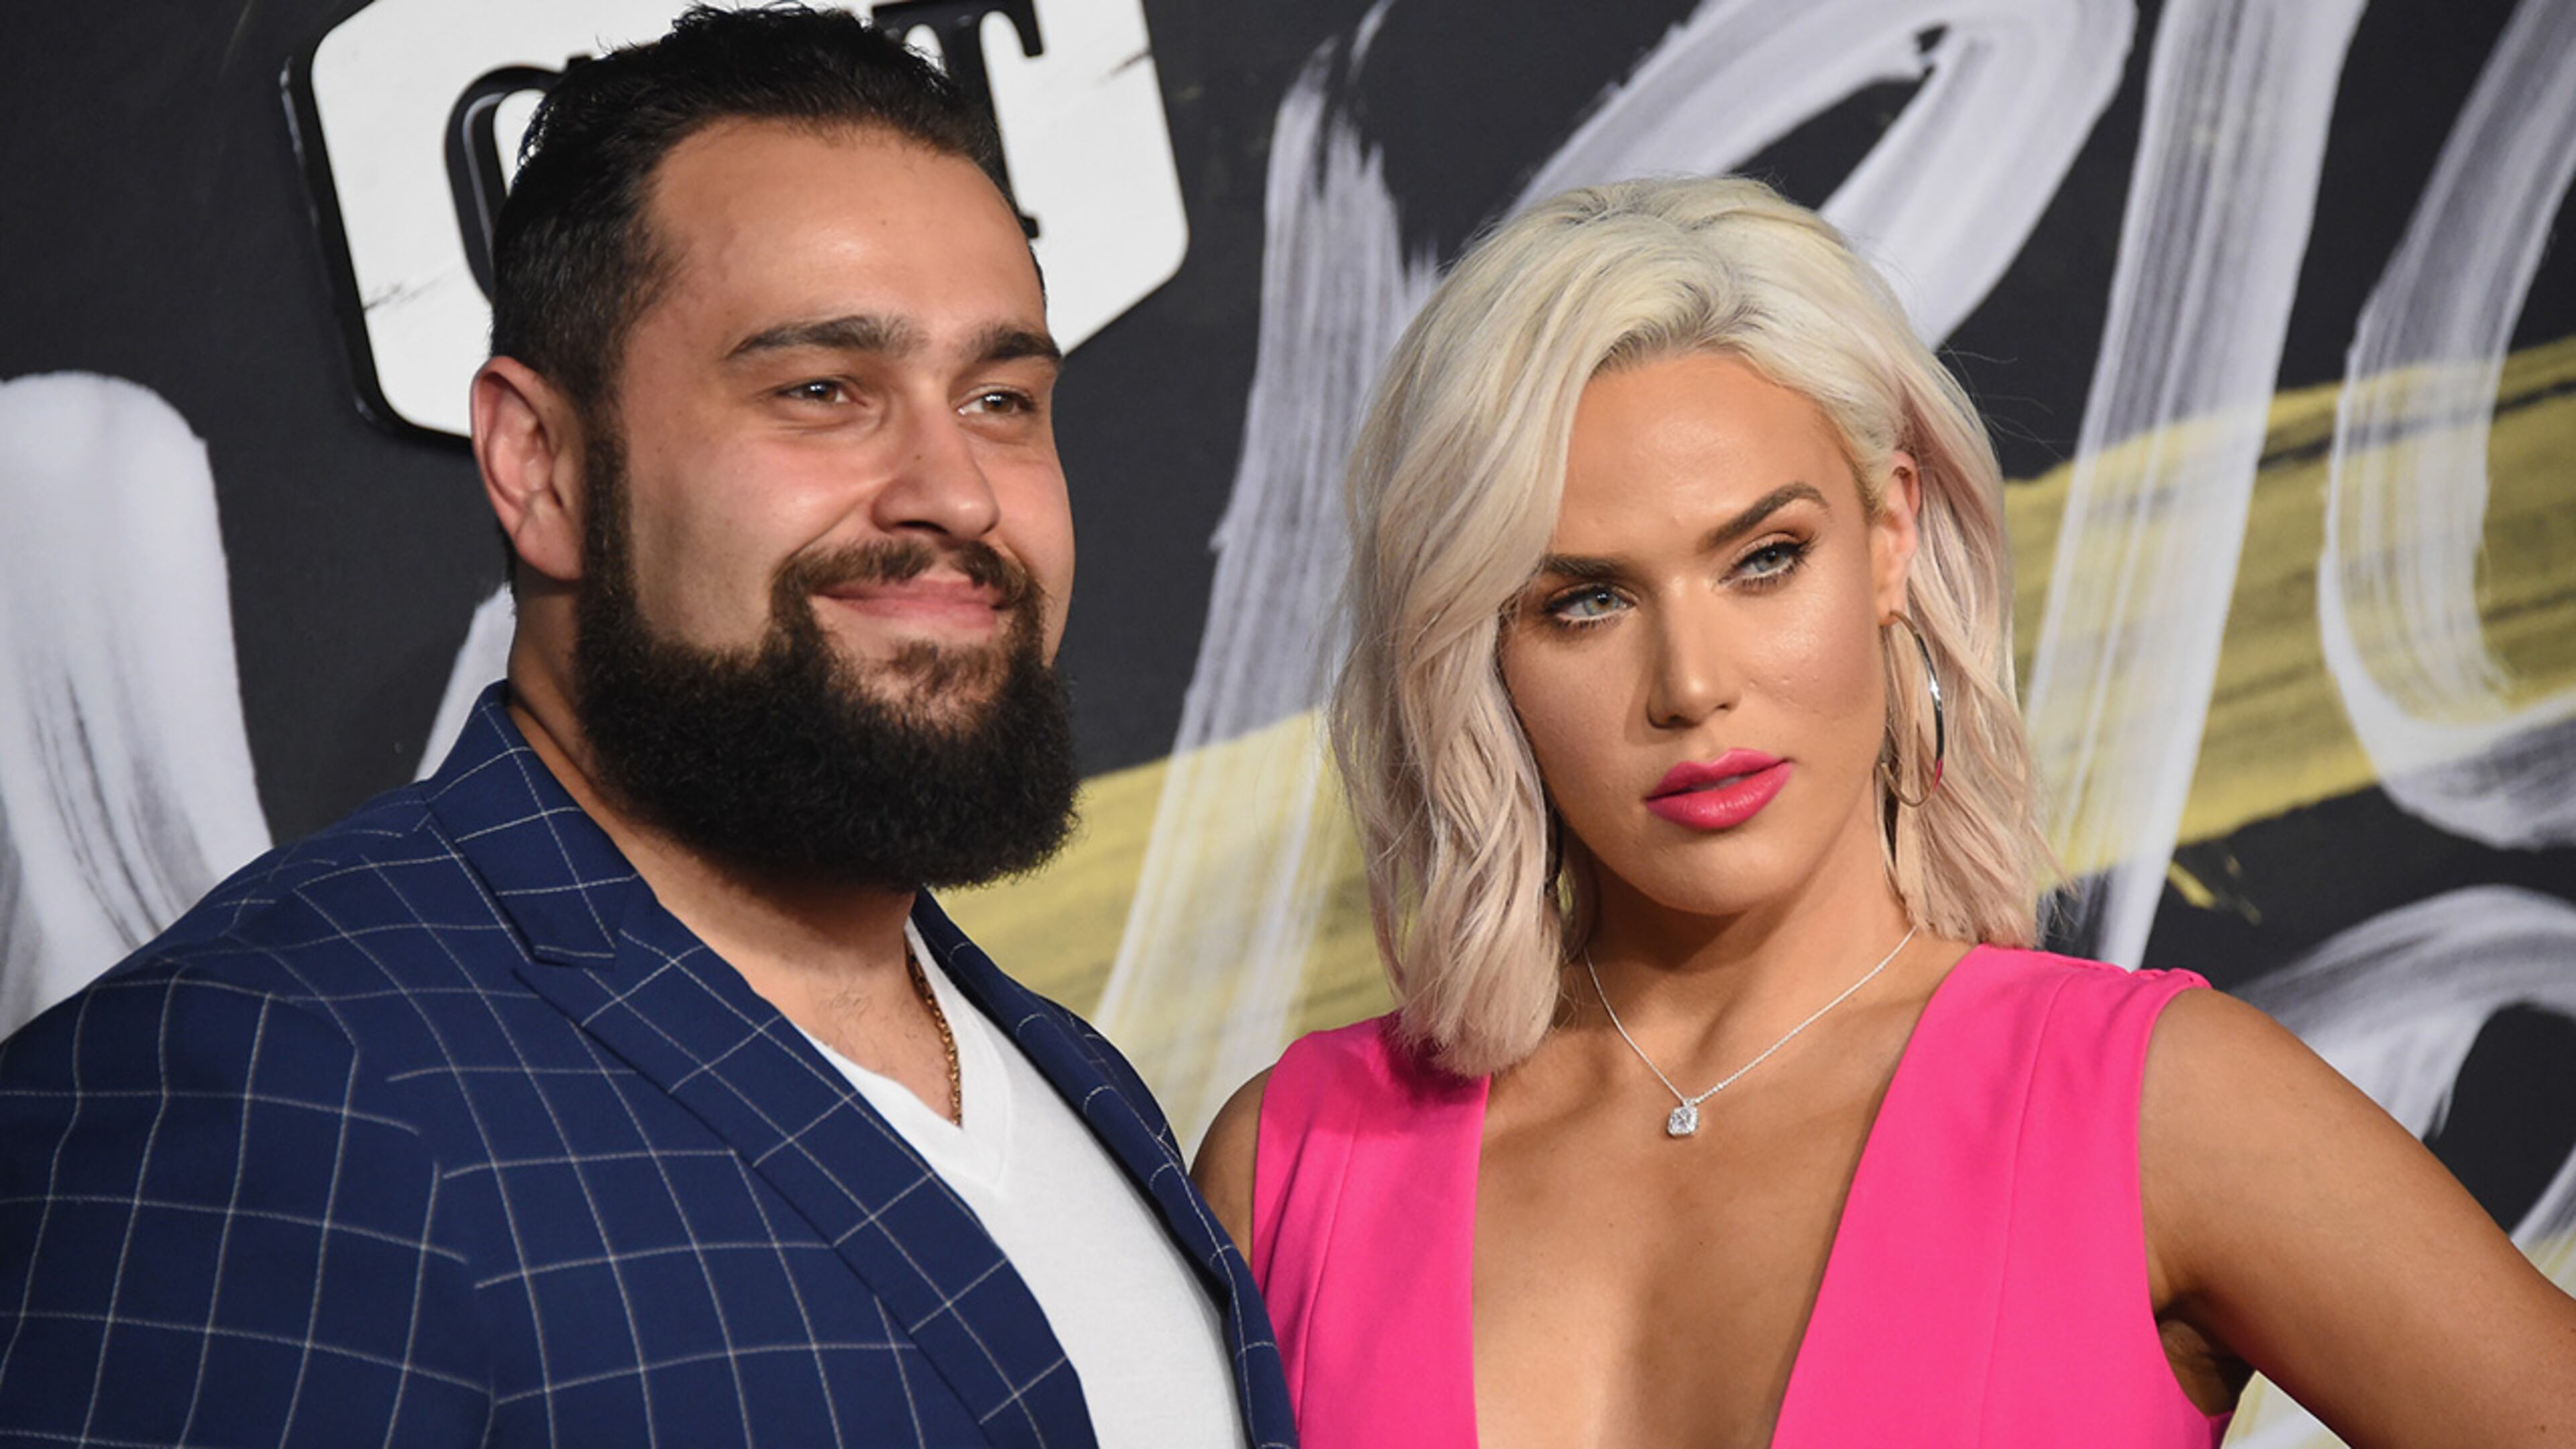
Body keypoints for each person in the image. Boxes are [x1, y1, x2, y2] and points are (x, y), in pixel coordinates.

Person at [0, 9, 1292, 1446]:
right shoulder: (268, 1085)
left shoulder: (1070, 1078)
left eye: (1000, 398)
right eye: (822, 391)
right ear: (537, 463)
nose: (960, 492)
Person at [1194, 176, 2576, 1446]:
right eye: (1587, 600)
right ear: (1477, 644)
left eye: (1765, 559)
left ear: (1891, 540)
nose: (1691, 685)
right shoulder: (1292, 1167)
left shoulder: (2157, 1108)